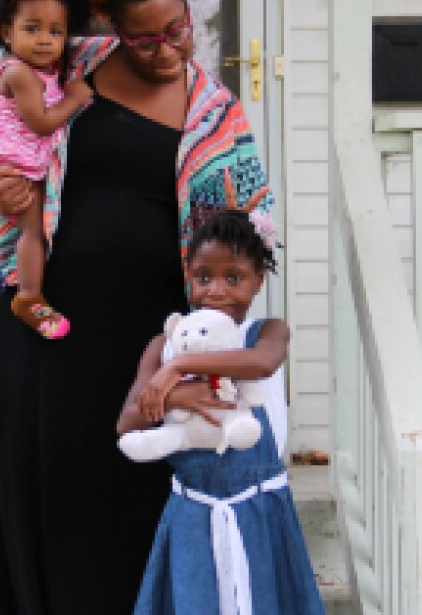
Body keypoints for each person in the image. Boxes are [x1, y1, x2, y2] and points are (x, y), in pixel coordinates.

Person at [0, 0, 274, 615]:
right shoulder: (70, 65)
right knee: (36, 487)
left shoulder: (214, 111)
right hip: (29, 312)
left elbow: (247, 233)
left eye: (178, 31)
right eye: (145, 40)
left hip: (134, 339)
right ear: (113, 32)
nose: (165, 50)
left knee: (121, 496)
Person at [118, 209, 324, 614]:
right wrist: (175, 397)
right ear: (188, 275)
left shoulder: (266, 332)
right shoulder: (165, 344)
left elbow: (262, 364)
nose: (216, 291)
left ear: (258, 281)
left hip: (260, 509)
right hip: (193, 510)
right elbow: (127, 421)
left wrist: (175, 373)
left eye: (234, 278)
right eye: (203, 277)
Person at [0, 0, 93, 339]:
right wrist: (74, 98)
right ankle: (29, 295)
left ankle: (30, 291)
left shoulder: (21, 67)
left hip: (8, 154)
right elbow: (42, 122)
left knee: (33, 226)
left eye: (56, 31)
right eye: (32, 29)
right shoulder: (21, 73)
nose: (45, 40)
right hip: (6, 160)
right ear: (6, 31)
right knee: (33, 230)